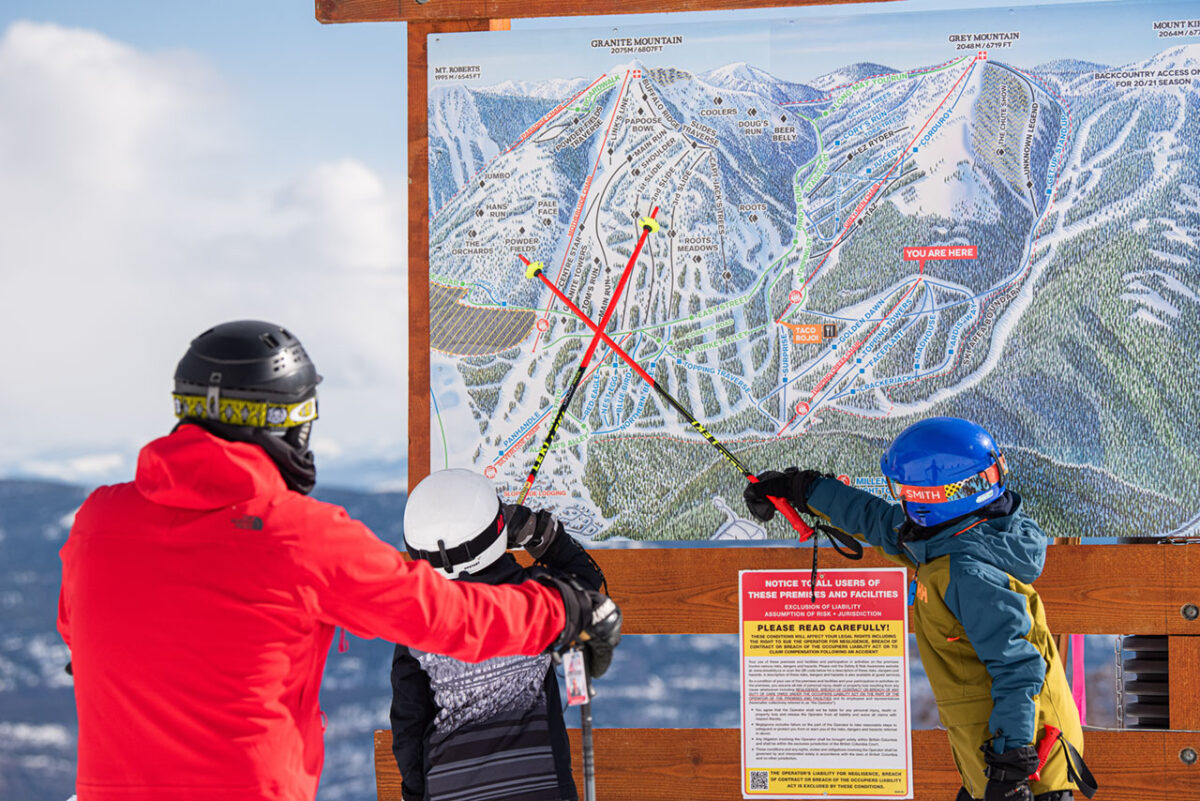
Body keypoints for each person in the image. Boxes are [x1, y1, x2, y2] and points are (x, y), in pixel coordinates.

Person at [56, 320, 621, 801]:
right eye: (304, 414)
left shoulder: (96, 524)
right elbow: (446, 616)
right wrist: (565, 610)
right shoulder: (298, 535)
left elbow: (79, 635)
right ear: (272, 422)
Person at [744, 417, 1093, 801]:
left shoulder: (970, 572)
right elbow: (876, 520)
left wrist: (1010, 767)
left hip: (1027, 768)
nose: (904, 500)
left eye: (908, 491)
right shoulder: (961, 536)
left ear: (936, 496)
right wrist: (803, 489)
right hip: (993, 758)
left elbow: (1019, 667)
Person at [390, 469, 608, 801]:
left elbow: (409, 722)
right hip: (542, 788)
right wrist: (537, 532)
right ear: (495, 532)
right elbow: (588, 586)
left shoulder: (418, 626)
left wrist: (417, 792)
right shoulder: (534, 599)